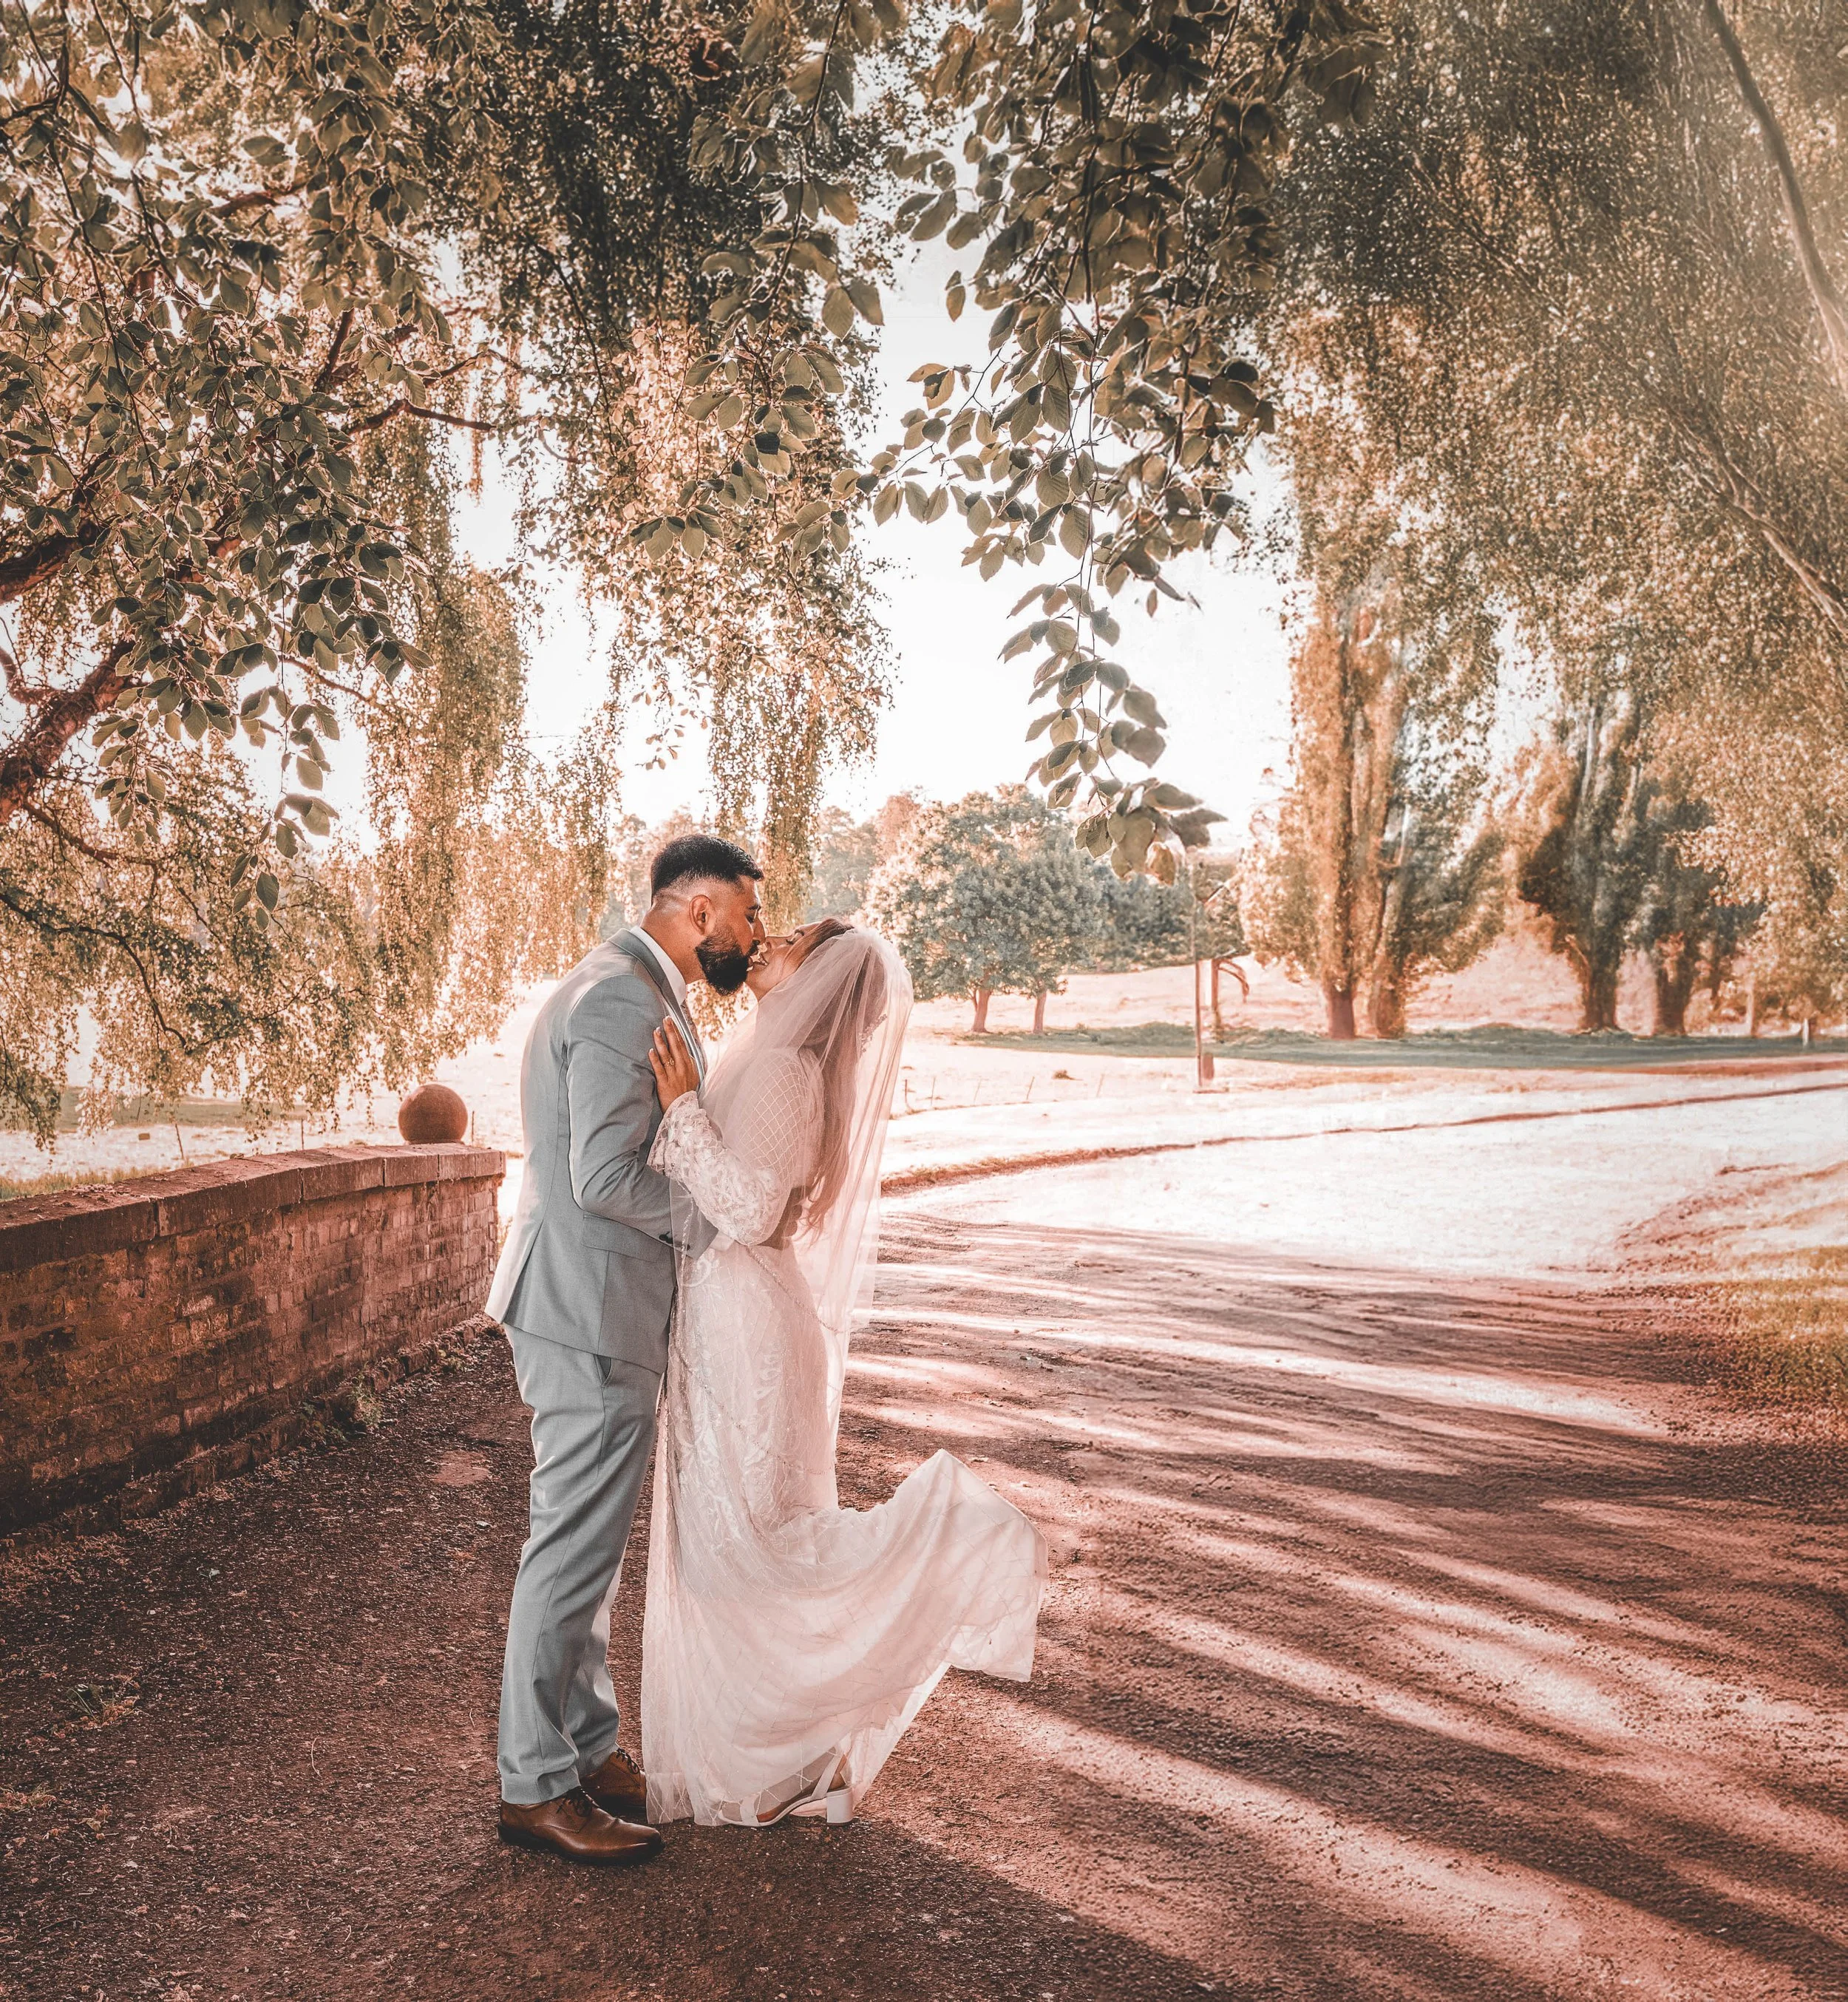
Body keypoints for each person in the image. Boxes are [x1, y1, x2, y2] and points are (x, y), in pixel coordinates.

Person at [639, 923, 1047, 1827]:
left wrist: (679, 1111)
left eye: (789, 938)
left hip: (745, 1323)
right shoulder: (770, 1054)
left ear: (818, 973)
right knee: (729, 1545)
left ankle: (950, 1532)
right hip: (727, 1312)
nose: (767, 937)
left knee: (752, 1541)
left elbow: (746, 1206)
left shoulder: (787, 1072)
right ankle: (769, 1749)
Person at [489, 833, 764, 1864]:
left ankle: (591, 1750)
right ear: (697, 912)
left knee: (590, 1551)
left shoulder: (634, 985)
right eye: (744, 914)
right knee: (567, 1552)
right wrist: (718, 1224)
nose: (753, 935)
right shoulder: (619, 999)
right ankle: (533, 1784)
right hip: (587, 1309)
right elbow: (605, 1179)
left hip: (591, 1305)